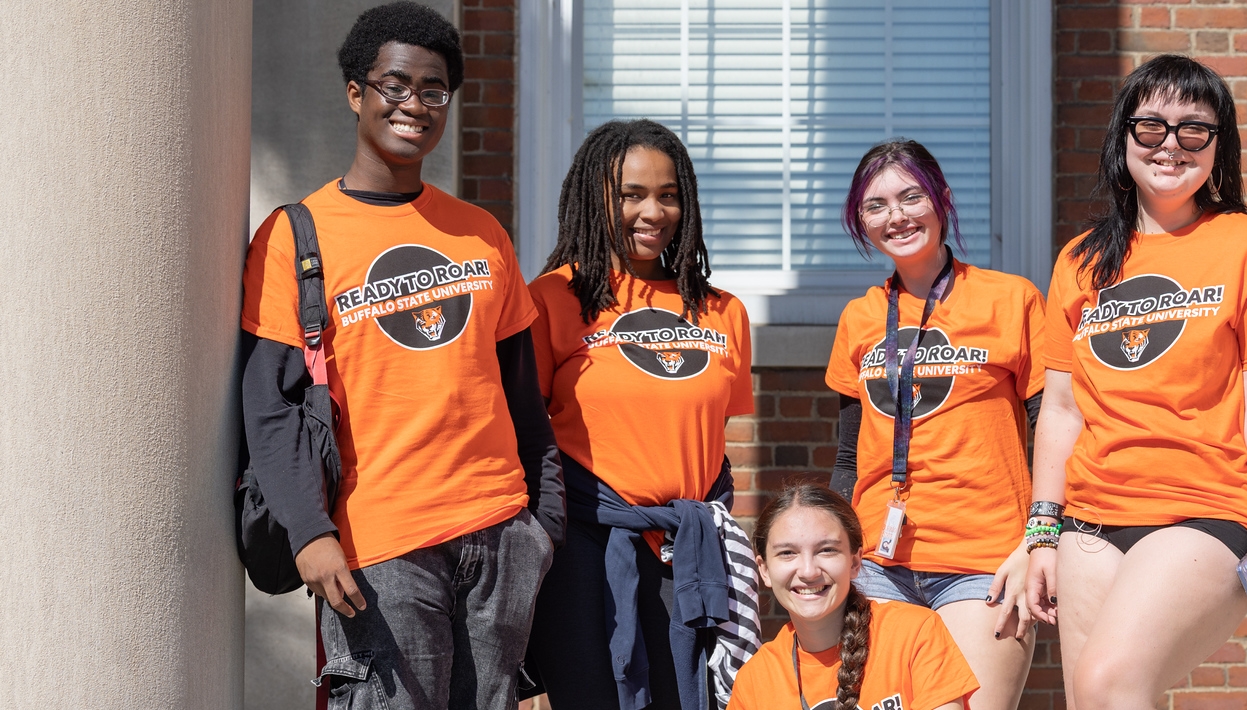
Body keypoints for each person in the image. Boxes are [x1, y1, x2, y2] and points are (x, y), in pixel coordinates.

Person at [240, 3, 565, 708]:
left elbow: (520, 396)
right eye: (395, 84)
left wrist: (542, 525)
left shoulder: (481, 235)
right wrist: (310, 535)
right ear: (356, 92)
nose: (414, 103)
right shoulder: (297, 235)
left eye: (433, 89)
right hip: (379, 549)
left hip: (501, 538)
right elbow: (269, 406)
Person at [1022, 54, 1247, 709]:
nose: (1170, 145)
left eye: (1193, 130)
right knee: (1094, 700)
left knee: (1108, 680)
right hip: (1089, 520)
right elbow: (1060, 411)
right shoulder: (1080, 260)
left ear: (1218, 146)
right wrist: (1041, 532)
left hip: (1203, 511)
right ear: (1123, 140)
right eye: (1150, 128)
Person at [521, 118, 758, 710]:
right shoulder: (552, 299)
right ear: (595, 199)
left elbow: (702, 436)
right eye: (631, 195)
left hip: (690, 551)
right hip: (584, 553)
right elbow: (525, 434)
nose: (653, 211)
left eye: (669, 195)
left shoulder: (723, 312)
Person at [824, 139, 1043, 710]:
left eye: (911, 196)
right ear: (861, 222)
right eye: (875, 206)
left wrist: (1039, 543)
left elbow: (1053, 434)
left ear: (942, 200)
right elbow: (849, 460)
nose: (895, 216)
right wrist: (834, 551)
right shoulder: (859, 317)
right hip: (877, 566)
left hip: (986, 563)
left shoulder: (1011, 300)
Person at [729, 484, 978, 710]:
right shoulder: (754, 681)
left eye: (826, 550)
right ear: (764, 570)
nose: (808, 571)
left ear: (855, 562)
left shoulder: (916, 633)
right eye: (787, 553)